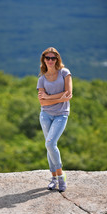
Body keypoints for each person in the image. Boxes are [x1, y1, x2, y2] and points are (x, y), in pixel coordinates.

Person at [37, 47, 72, 192]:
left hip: (61, 114)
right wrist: (58, 97)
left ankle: (60, 176)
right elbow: (42, 103)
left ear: (57, 59)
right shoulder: (41, 79)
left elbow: (68, 94)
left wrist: (49, 97)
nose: (50, 60)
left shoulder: (65, 73)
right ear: (44, 60)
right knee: (49, 145)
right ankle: (53, 178)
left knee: (50, 144)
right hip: (45, 115)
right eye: (47, 58)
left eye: (53, 58)